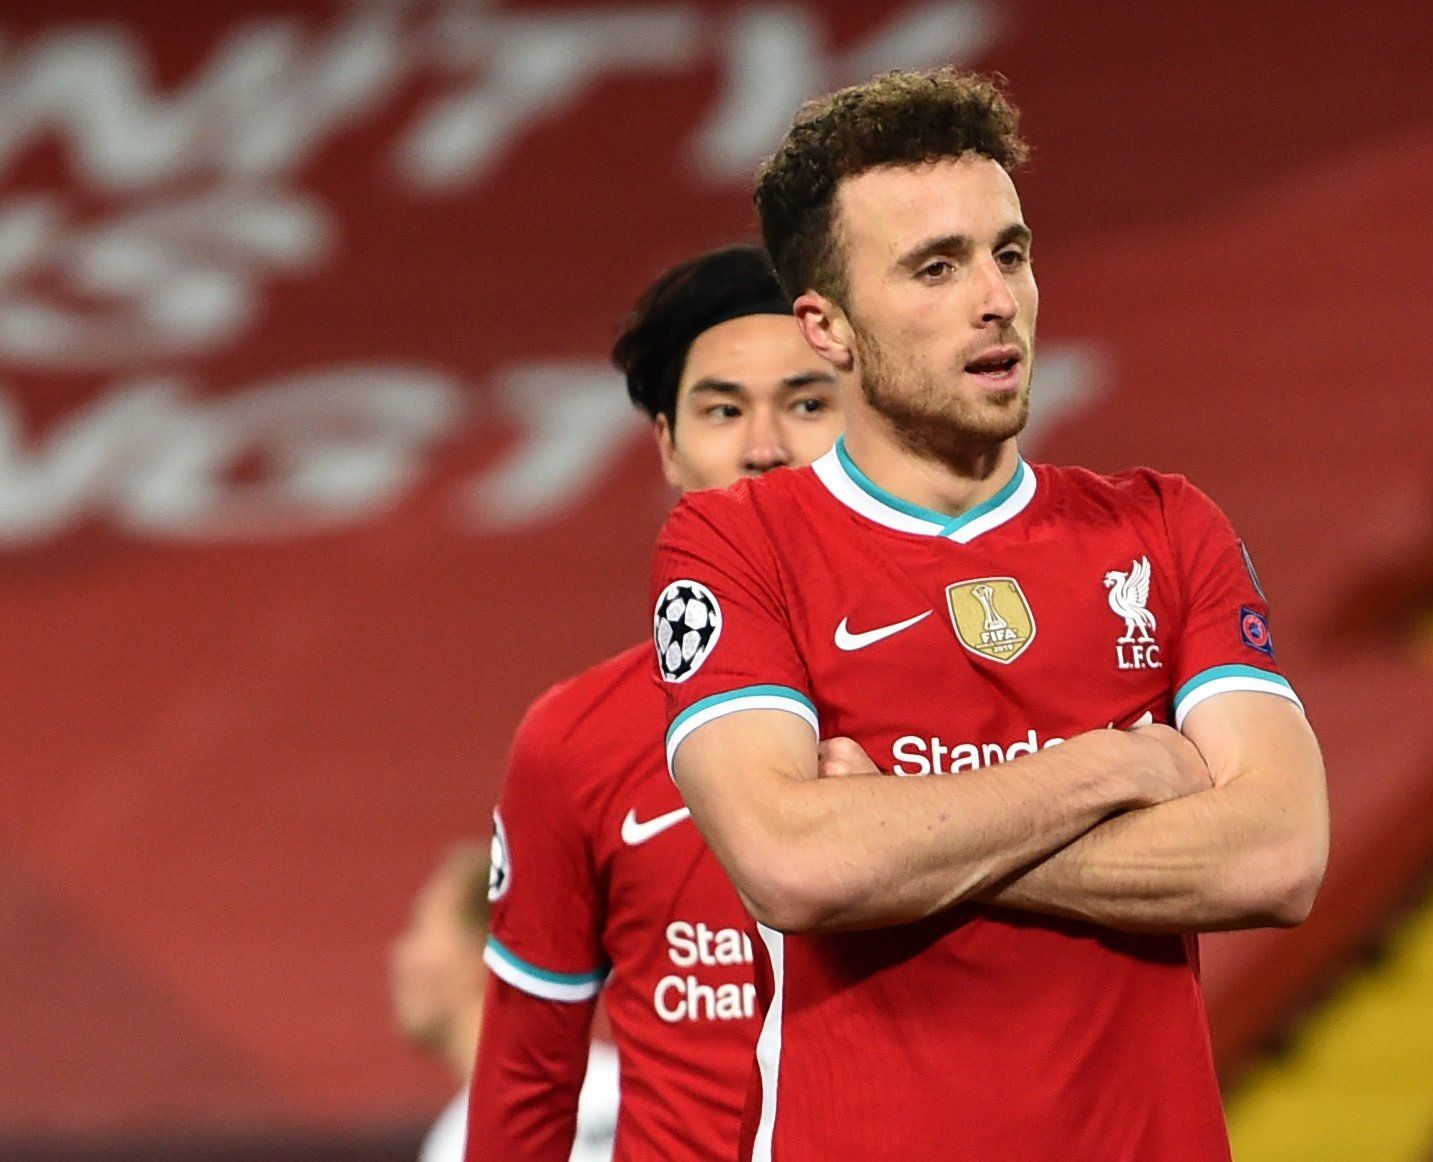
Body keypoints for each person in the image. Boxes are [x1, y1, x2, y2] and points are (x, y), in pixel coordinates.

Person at [652, 69, 1329, 1160]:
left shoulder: (1163, 527)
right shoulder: (738, 543)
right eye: (935, 266)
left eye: (1007, 252)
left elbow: (1277, 856)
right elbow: (791, 866)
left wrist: (898, 841)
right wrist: (1108, 772)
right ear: (825, 327)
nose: (995, 299)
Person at [466, 244, 844, 1161]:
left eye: (807, 403)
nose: (764, 447)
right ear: (669, 447)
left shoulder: (971, 696)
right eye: (722, 410)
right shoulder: (574, 740)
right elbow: (526, 1079)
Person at [391, 842, 617, 1162]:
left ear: (484, 951)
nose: (401, 955)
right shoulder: (627, 1085)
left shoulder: (459, 1144)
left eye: (421, 928)